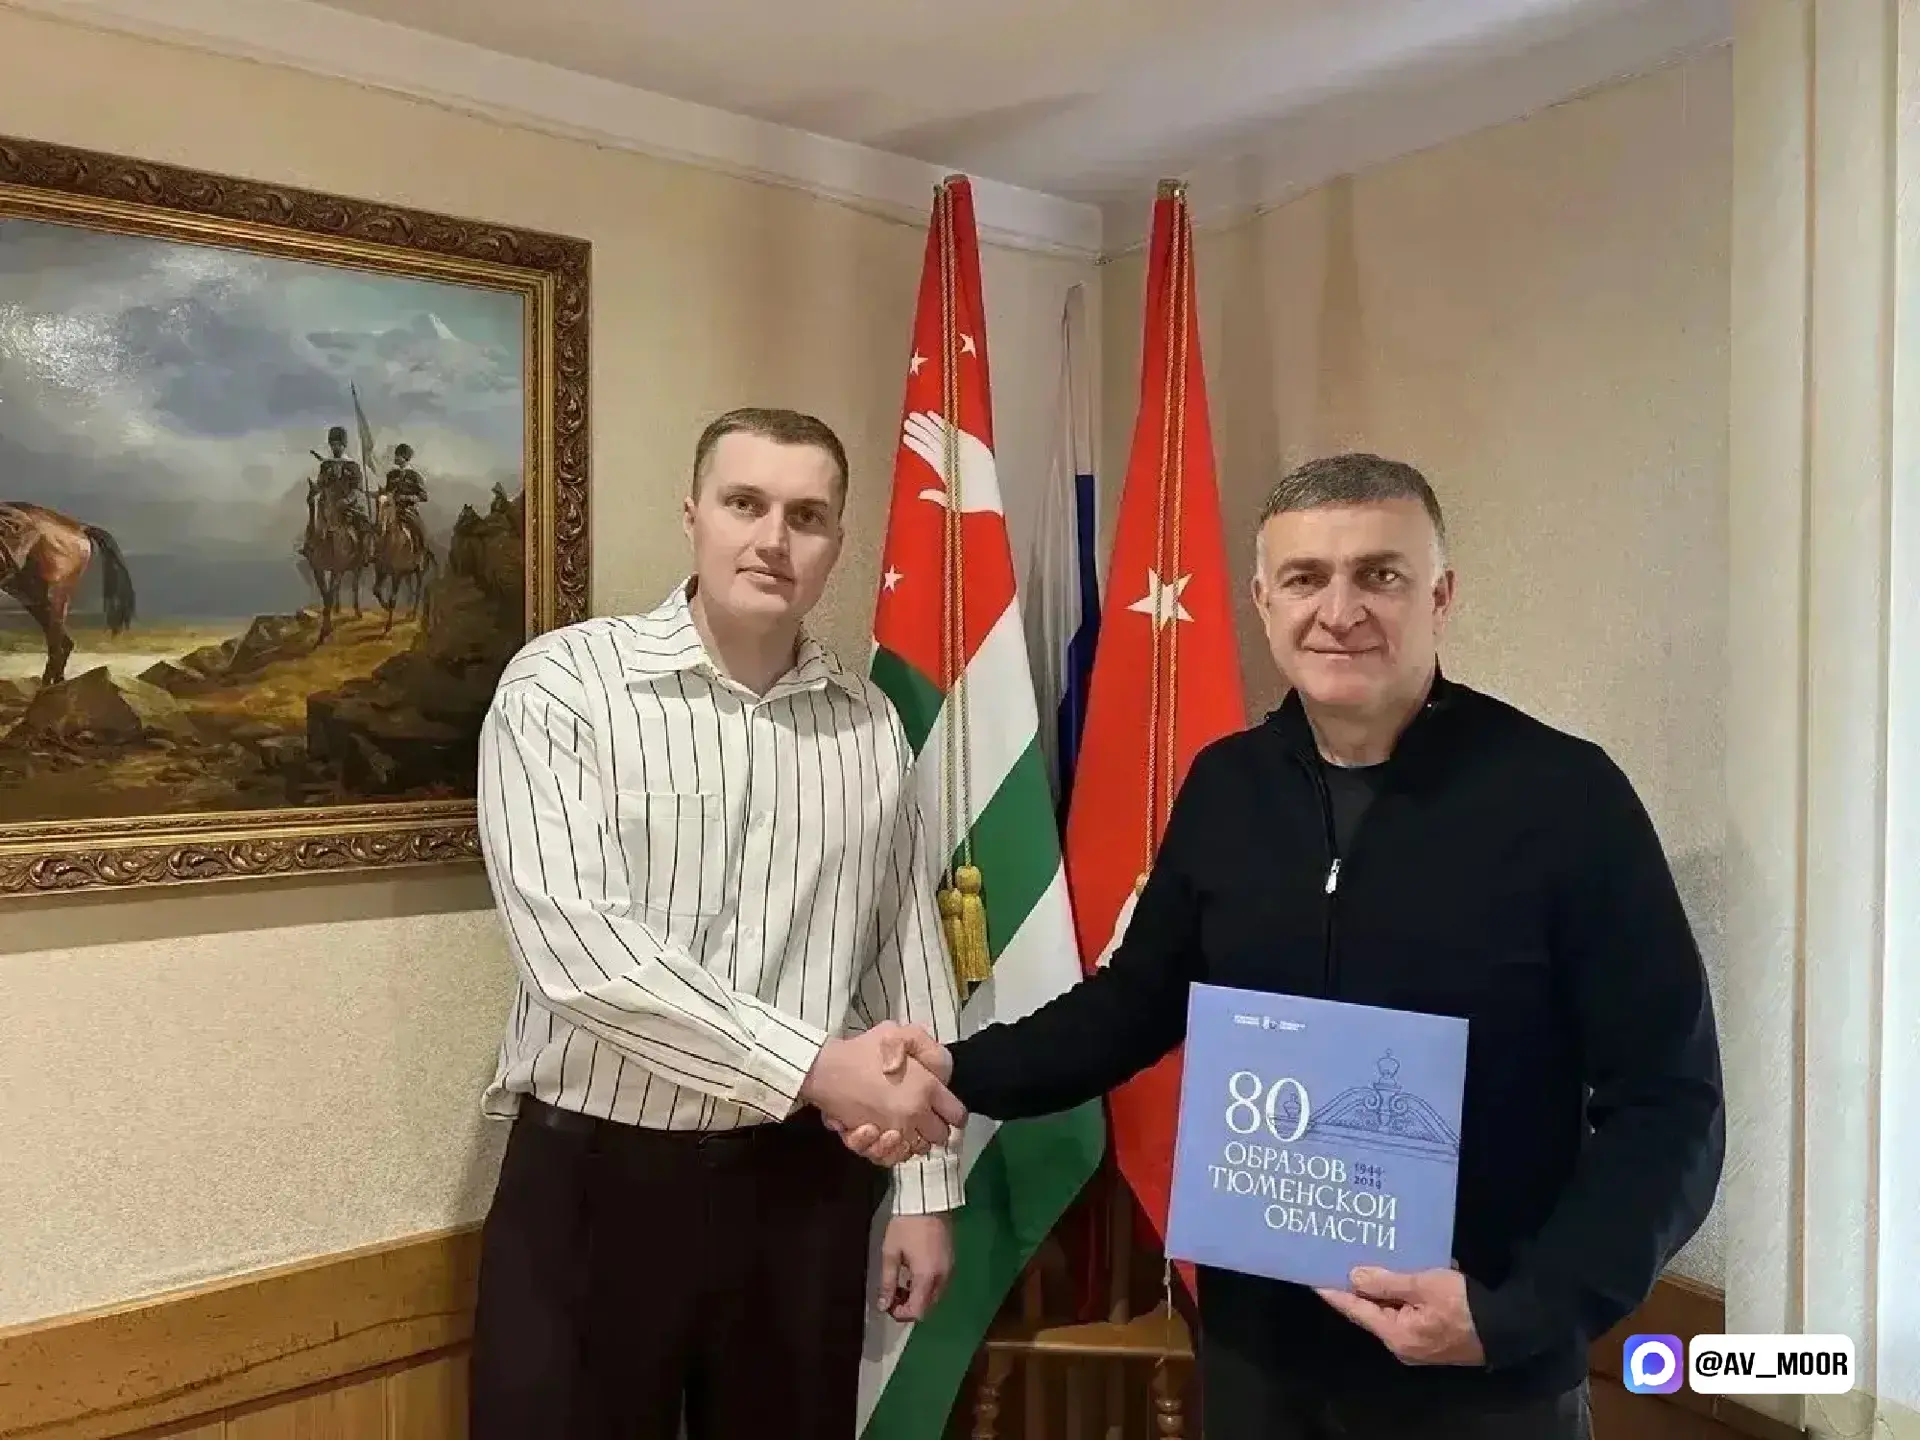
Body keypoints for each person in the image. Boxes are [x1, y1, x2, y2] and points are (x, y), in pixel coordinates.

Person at [840, 454, 1725, 1439]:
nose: (1340, 611)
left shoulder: (1567, 799)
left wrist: (1520, 1312)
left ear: (1440, 596)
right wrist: (957, 1071)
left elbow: (1670, 1103)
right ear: (1263, 603)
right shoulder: (1228, 787)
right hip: (1260, 1362)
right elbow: (1132, 1006)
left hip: (1482, 1373)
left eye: (1379, 575)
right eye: (1306, 578)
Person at [468, 406, 969, 1440]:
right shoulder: (564, 686)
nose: (773, 539)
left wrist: (925, 1184)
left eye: (807, 516)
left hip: (799, 1192)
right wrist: (815, 1066)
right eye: (745, 504)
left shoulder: (867, 723)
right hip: (594, 1186)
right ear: (693, 514)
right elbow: (580, 954)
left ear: (837, 543)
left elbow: (902, 953)